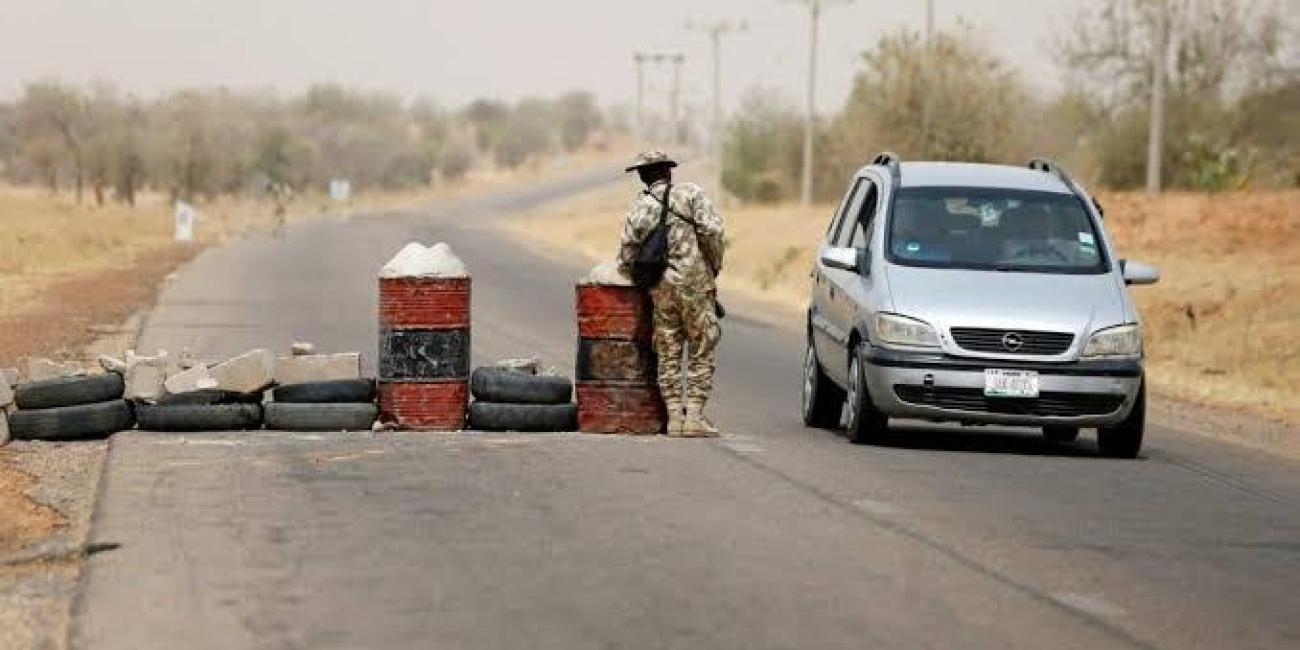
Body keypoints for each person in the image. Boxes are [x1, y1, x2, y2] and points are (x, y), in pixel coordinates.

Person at [617, 151, 725, 437]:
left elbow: (627, 254)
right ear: (668, 172)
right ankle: (695, 417)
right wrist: (712, 268)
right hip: (695, 282)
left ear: (642, 176)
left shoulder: (639, 208)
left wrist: (645, 282)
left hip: (660, 287)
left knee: (667, 348)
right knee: (702, 344)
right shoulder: (691, 195)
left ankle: (675, 417)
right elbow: (713, 234)